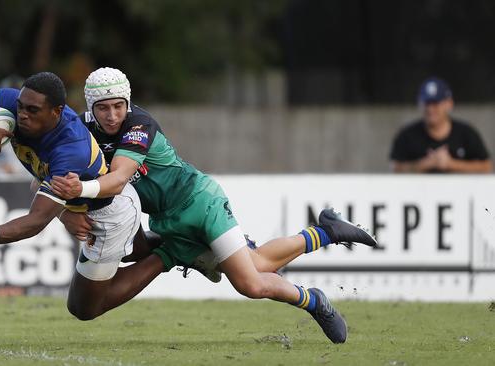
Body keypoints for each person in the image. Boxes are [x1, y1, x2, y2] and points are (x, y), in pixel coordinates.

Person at [51, 67, 378, 343]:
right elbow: (44, 171)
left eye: (119, 106)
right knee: (258, 261)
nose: (112, 115)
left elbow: (120, 177)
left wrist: (79, 189)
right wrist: (65, 212)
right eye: (104, 108)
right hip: (167, 222)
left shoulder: (139, 124)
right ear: (90, 106)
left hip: (199, 203)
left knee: (249, 283)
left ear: (129, 102)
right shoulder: (80, 131)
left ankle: (314, 301)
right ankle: (325, 231)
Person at [0, 72, 167, 321]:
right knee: (136, 252)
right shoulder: (19, 104)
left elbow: (36, 220)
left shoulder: (70, 149)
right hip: (86, 206)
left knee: (83, 309)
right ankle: (180, 240)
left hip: (109, 214)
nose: (22, 114)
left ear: (56, 112)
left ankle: (174, 254)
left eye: (32, 110)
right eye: (21, 107)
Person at [390, 77, 492, 173]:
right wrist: (423, 164)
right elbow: (395, 167)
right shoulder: (407, 135)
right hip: (419, 191)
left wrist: (451, 164)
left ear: (449, 104)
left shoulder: (466, 133)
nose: (430, 109)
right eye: (427, 103)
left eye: (436, 103)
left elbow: (487, 166)